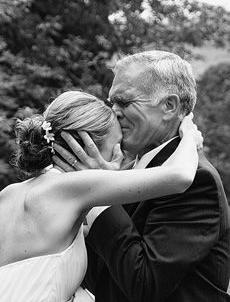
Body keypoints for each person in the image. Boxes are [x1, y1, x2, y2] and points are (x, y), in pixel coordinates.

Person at [55, 51, 230, 302]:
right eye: (111, 103)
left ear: (169, 106)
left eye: (124, 103)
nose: (113, 113)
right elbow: (104, 279)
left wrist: (99, 197)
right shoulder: (123, 172)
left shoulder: (196, 182)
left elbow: (144, 285)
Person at [0, 90, 202, 302]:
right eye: (118, 145)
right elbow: (180, 176)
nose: (121, 156)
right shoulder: (73, 188)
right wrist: (189, 136)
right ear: (90, 146)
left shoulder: (9, 194)